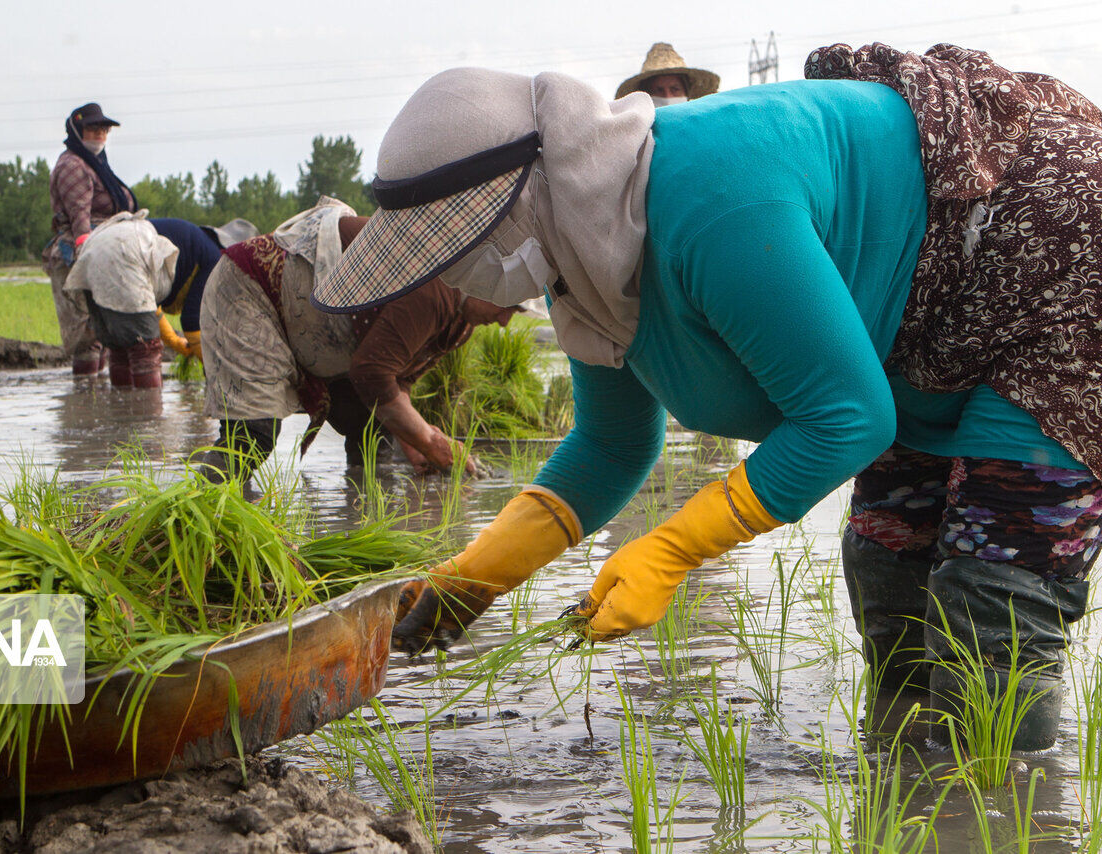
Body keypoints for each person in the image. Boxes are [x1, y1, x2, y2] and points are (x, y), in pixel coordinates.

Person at [311, 44, 1102, 751]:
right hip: (918, 320)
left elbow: (847, 419)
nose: (450, 276)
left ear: (525, 201)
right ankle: (910, 796)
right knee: (888, 565)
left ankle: (1013, 812)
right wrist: (475, 577)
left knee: (993, 597)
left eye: (458, 247)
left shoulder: (710, 199)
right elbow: (611, 447)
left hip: (1052, 256)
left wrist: (673, 550)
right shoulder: (583, 262)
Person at [198, 197, 526, 482]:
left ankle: (363, 517)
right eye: (508, 306)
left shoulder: (461, 322)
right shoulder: (433, 289)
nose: (504, 321)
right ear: (486, 280)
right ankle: (191, 514)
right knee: (253, 435)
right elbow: (371, 374)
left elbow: (396, 380)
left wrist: (415, 446)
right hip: (250, 291)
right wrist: (430, 440)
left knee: (373, 428)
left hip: (315, 323)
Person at [64, 214, 253, 388]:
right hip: (127, 250)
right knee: (145, 350)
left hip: (95, 246)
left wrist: (174, 341)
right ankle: (148, 421)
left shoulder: (192, 241)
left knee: (121, 346)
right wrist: (217, 368)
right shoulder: (212, 256)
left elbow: (146, 305)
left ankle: (121, 417)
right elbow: (192, 322)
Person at [42, 102, 137, 376]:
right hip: (79, 252)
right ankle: (84, 406)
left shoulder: (97, 165)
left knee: (106, 333)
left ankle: (99, 405)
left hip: (105, 249)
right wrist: (87, 252)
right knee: (88, 335)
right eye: (92, 129)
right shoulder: (73, 165)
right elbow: (79, 215)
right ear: (77, 131)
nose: (100, 135)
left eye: (104, 129)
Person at [615, 42, 719, 105]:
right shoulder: (639, 138)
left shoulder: (702, 130)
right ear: (647, 96)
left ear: (686, 93)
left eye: (675, 89)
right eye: (659, 90)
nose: (668, 96)